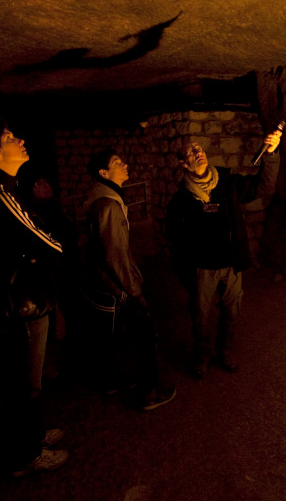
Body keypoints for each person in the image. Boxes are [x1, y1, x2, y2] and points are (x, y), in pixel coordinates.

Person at [0, 118, 69, 478]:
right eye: (11, 137)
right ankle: (26, 454)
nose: (21, 139)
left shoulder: (4, 187)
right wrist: (60, 245)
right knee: (25, 383)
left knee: (28, 379)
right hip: (20, 302)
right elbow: (45, 241)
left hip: (18, 297)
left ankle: (35, 435)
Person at [165, 128, 283, 379]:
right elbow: (175, 239)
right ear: (183, 163)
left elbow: (264, 185)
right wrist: (185, 273)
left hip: (230, 263)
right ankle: (202, 356)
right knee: (200, 316)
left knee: (231, 311)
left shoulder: (228, 183)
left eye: (200, 148)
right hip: (201, 268)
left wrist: (270, 154)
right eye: (191, 151)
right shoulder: (182, 199)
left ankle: (224, 351)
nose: (199, 152)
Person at [81, 148, 176, 411]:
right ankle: (149, 393)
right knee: (147, 335)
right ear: (104, 173)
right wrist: (135, 291)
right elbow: (115, 255)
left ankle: (112, 380)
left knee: (107, 335)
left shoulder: (104, 199)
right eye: (116, 163)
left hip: (104, 283)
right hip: (117, 286)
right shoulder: (109, 205)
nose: (124, 164)